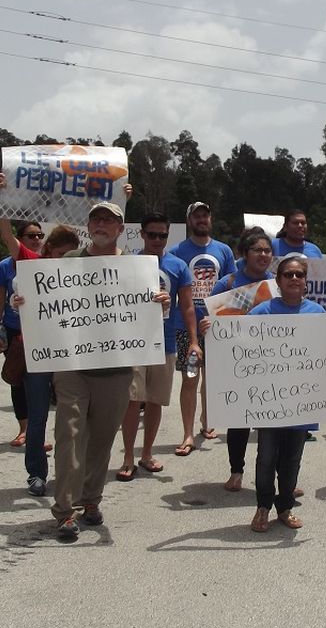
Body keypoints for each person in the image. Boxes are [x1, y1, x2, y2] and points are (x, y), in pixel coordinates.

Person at [46, 201, 169, 540]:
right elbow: (46, 303)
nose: (101, 224)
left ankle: (91, 501)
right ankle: (65, 511)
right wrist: (24, 303)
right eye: (95, 218)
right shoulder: (68, 262)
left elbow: (148, 318)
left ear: (120, 228)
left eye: (109, 220)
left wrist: (161, 304)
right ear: (88, 226)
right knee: (68, 436)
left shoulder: (135, 267)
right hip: (72, 367)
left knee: (101, 440)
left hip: (116, 370)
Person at [0, 179, 80, 496]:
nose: (64, 263)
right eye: (60, 255)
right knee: (39, 416)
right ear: (47, 250)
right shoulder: (30, 262)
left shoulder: (82, 269)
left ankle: (72, 475)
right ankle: (36, 474)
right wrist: (3, 196)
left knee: (73, 420)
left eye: (70, 257)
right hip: (37, 353)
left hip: (72, 354)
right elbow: (6, 235)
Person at [246, 255, 326, 532]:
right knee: (266, 457)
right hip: (269, 401)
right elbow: (236, 341)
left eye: (299, 275)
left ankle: (284, 508)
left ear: (306, 282)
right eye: (289, 275)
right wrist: (212, 331)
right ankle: (262, 507)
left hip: (302, 403)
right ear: (279, 280)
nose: (294, 279)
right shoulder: (262, 312)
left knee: (292, 459)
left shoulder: (319, 315)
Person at [117, 212, 199, 480]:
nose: (157, 239)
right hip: (133, 342)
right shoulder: (130, 262)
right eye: (151, 234)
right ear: (142, 234)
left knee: (155, 402)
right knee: (132, 400)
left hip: (165, 342)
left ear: (168, 235)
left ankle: (147, 454)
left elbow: (187, 306)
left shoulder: (178, 266)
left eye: (162, 235)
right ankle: (128, 456)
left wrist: (194, 341)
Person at [200, 228, 275, 491]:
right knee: (239, 421)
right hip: (238, 362)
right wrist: (206, 327)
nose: (263, 254)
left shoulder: (278, 284)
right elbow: (211, 318)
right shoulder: (228, 284)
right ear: (244, 254)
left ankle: (275, 478)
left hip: (271, 362)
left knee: (272, 425)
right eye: (257, 250)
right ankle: (236, 471)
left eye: (267, 250)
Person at [169, 201, 236, 456]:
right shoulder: (176, 251)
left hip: (217, 325)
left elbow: (232, 284)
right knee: (190, 378)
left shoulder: (224, 250)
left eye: (205, 216)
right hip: (186, 327)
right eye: (196, 216)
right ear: (189, 221)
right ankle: (187, 433)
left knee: (213, 379)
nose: (201, 220)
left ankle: (208, 420)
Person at [0, 219, 45, 446]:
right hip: (15, 332)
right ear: (20, 239)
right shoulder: (5, 266)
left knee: (40, 384)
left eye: (40, 236)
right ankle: (24, 429)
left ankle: (37, 433)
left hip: (42, 331)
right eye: (31, 236)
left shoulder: (47, 263)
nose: (37, 240)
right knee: (18, 380)